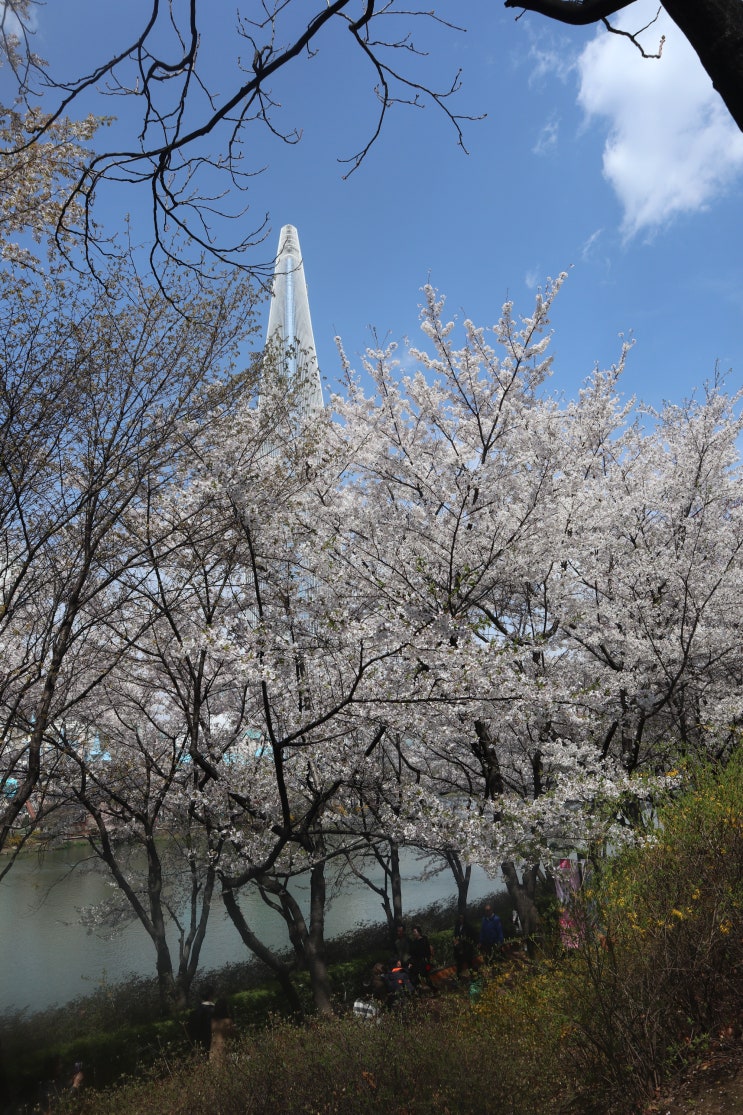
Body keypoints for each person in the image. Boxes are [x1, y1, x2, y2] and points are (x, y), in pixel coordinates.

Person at [187, 985, 216, 1052]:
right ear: (212, 995)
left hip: (199, 1048)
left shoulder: (193, 1013)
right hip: (215, 1048)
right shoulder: (217, 1011)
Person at [409, 924, 436, 991]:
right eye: (413, 932)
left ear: (419, 932)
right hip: (417, 962)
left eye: (415, 932)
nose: (414, 934)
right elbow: (412, 954)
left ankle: (433, 988)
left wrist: (429, 958)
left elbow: (428, 950)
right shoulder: (414, 943)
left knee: (427, 974)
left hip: (425, 961)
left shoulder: (424, 939)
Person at [209, 998, 235, 1064]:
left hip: (213, 1052)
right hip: (224, 1052)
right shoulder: (228, 1022)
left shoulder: (212, 1021)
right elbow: (235, 1037)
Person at [452, 912, 478, 977]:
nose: (460, 919)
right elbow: (455, 936)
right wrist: (455, 942)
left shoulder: (468, 926)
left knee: (469, 963)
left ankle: (474, 976)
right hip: (458, 948)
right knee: (459, 964)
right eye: (459, 918)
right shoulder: (457, 926)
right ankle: (459, 978)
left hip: (467, 948)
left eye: (462, 918)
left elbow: (473, 936)